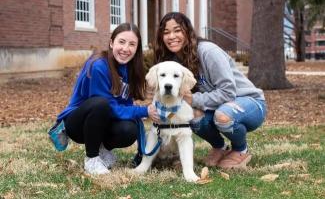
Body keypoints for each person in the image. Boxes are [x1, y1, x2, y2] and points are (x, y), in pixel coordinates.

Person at [153, 12, 267, 169]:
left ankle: (240, 149)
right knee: (191, 115)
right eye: (166, 32)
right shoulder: (174, 62)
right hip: (218, 105)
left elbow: (228, 92)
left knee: (223, 116)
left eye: (177, 30)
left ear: (188, 31)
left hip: (250, 102)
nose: (171, 36)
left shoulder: (208, 51)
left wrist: (194, 99)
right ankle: (219, 147)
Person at [52, 23, 159, 175]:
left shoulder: (130, 68)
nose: (125, 48)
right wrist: (144, 111)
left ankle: (103, 150)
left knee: (130, 129)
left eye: (132, 44)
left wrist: (138, 114)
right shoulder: (98, 66)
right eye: (121, 42)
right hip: (78, 124)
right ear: (111, 43)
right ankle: (92, 158)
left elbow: (123, 104)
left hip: (104, 119)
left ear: (137, 49)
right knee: (100, 104)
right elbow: (108, 106)